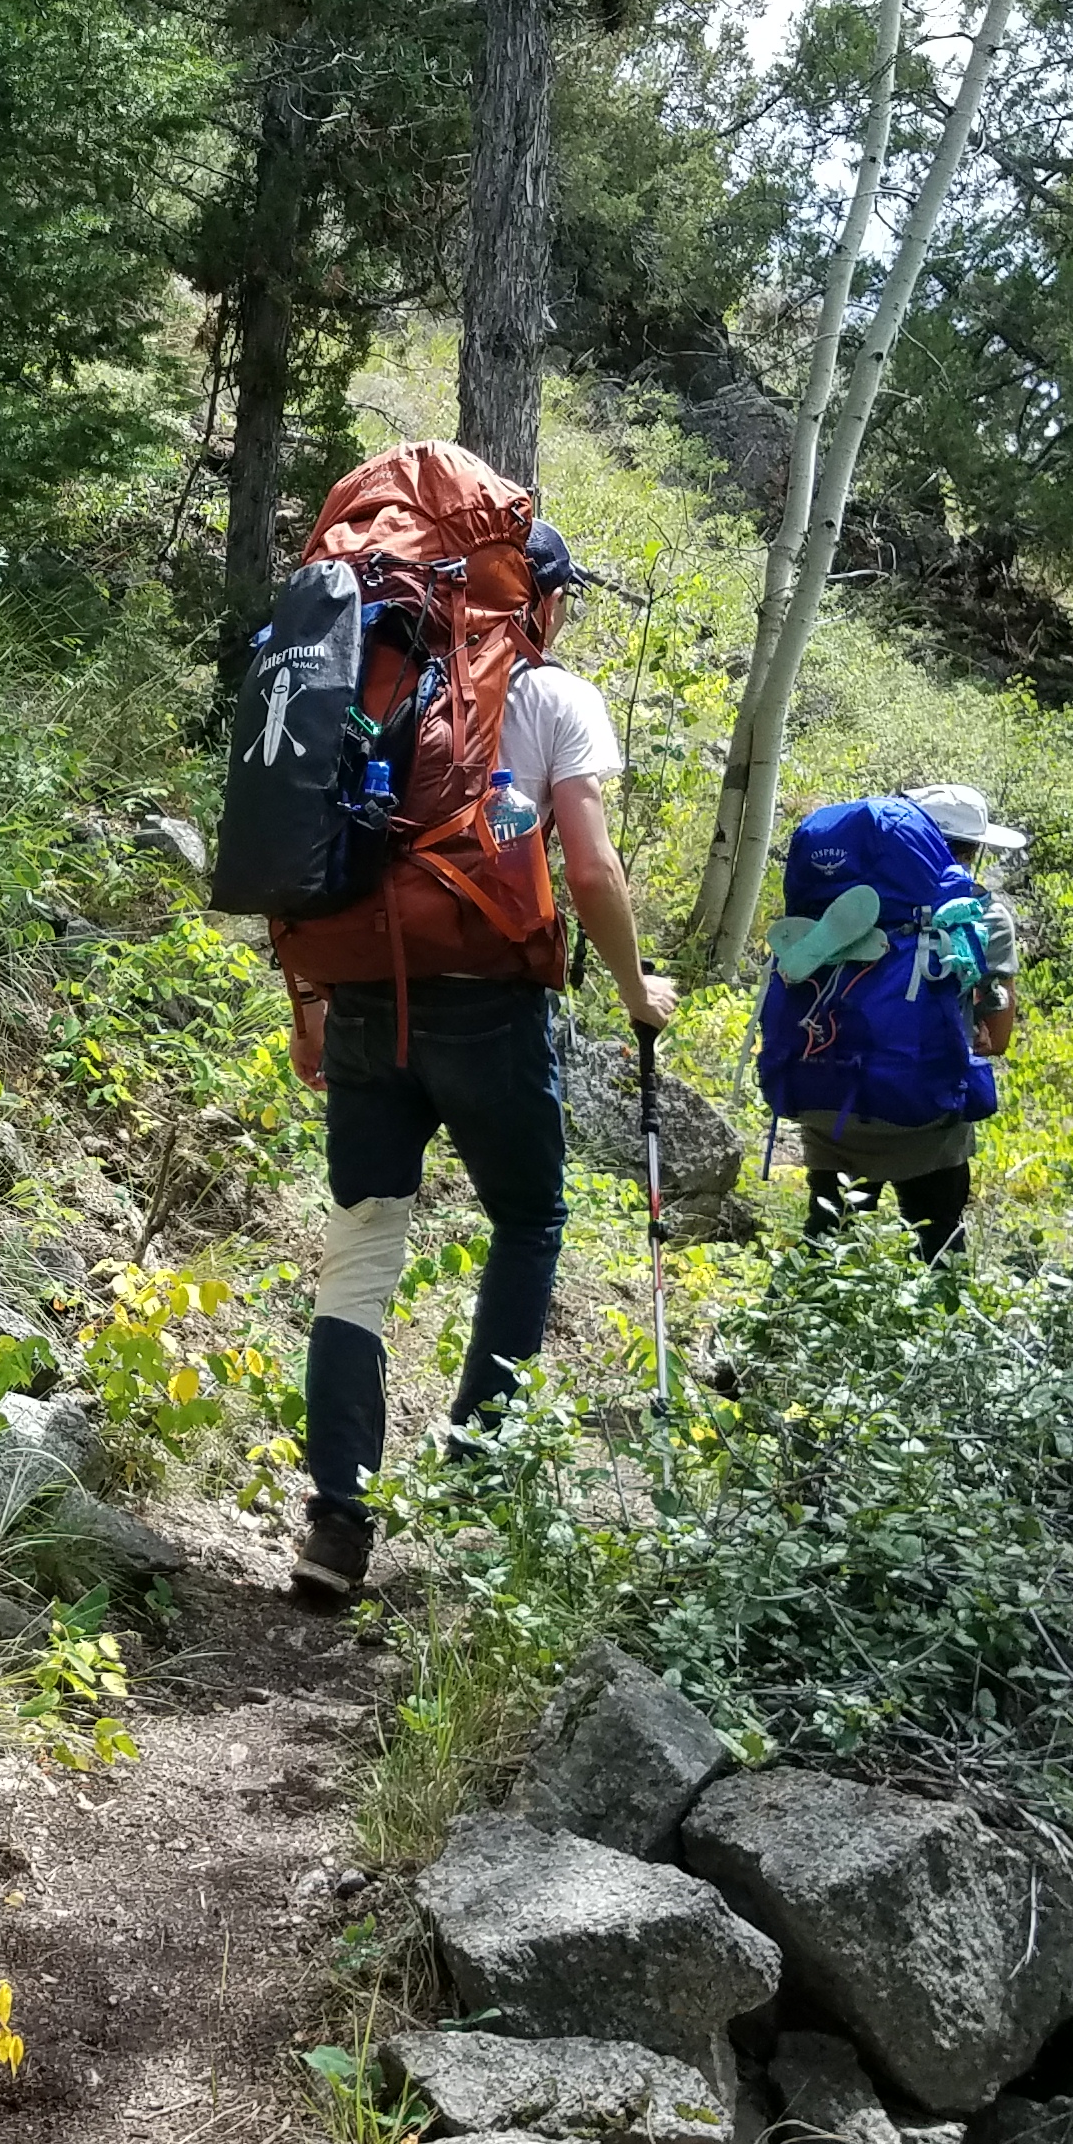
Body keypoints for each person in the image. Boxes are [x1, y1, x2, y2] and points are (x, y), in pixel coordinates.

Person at [285, 519, 680, 1607]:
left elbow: (305, 843)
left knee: (362, 1243)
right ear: (538, 602)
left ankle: (337, 1523)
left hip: (362, 990)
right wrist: (637, 987)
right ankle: (475, 1480)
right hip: (487, 1007)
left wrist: (309, 1004)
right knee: (529, 1220)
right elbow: (590, 868)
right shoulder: (553, 697)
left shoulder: (364, 670)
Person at [796, 780, 1023, 1261]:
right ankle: (943, 1334)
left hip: (827, 1096)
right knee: (939, 1242)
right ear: (973, 851)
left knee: (827, 1235)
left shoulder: (840, 900)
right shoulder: (984, 914)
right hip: (922, 1111)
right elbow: (996, 1040)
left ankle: (786, 1330)